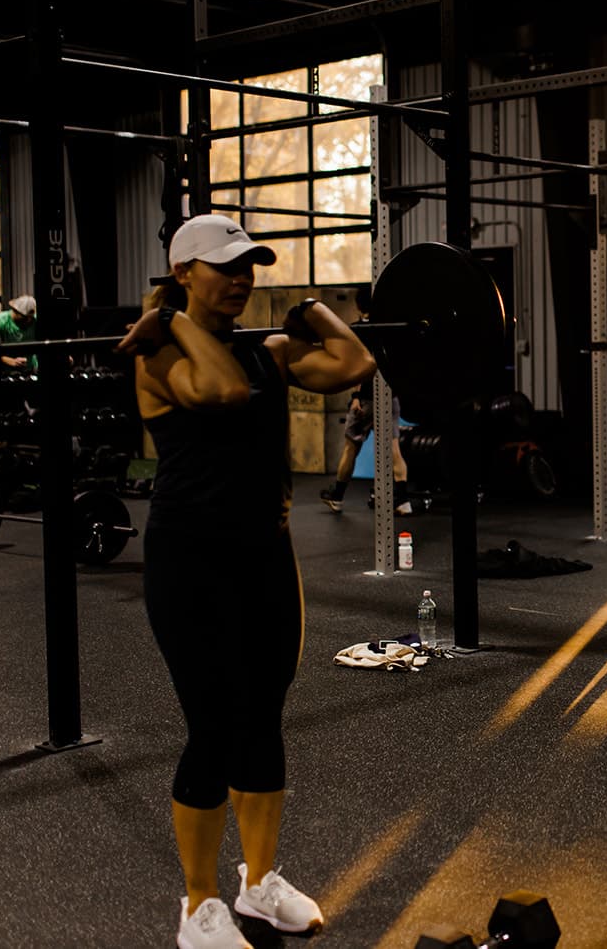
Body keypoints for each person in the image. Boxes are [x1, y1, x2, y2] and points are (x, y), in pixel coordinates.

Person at [117, 214, 372, 949]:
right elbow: (224, 389)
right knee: (213, 726)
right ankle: (199, 904)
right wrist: (163, 317)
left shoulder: (268, 351)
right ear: (184, 272)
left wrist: (311, 312)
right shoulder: (158, 354)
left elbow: (356, 363)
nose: (241, 279)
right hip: (190, 564)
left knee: (263, 715)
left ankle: (258, 883)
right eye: (225, 266)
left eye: (249, 266)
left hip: (266, 558)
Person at [320, 282, 410, 515]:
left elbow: (358, 366)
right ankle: (402, 501)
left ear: (358, 306)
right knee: (394, 449)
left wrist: (357, 397)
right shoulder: (389, 328)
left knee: (351, 447)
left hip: (367, 399)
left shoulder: (356, 331)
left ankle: (337, 496)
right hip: (390, 396)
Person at [0, 295, 37, 369]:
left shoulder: (35, 321)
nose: (29, 320)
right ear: (15, 311)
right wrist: (6, 360)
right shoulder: (0, 321)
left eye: (30, 317)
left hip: (31, 369)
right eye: (25, 317)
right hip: (6, 370)